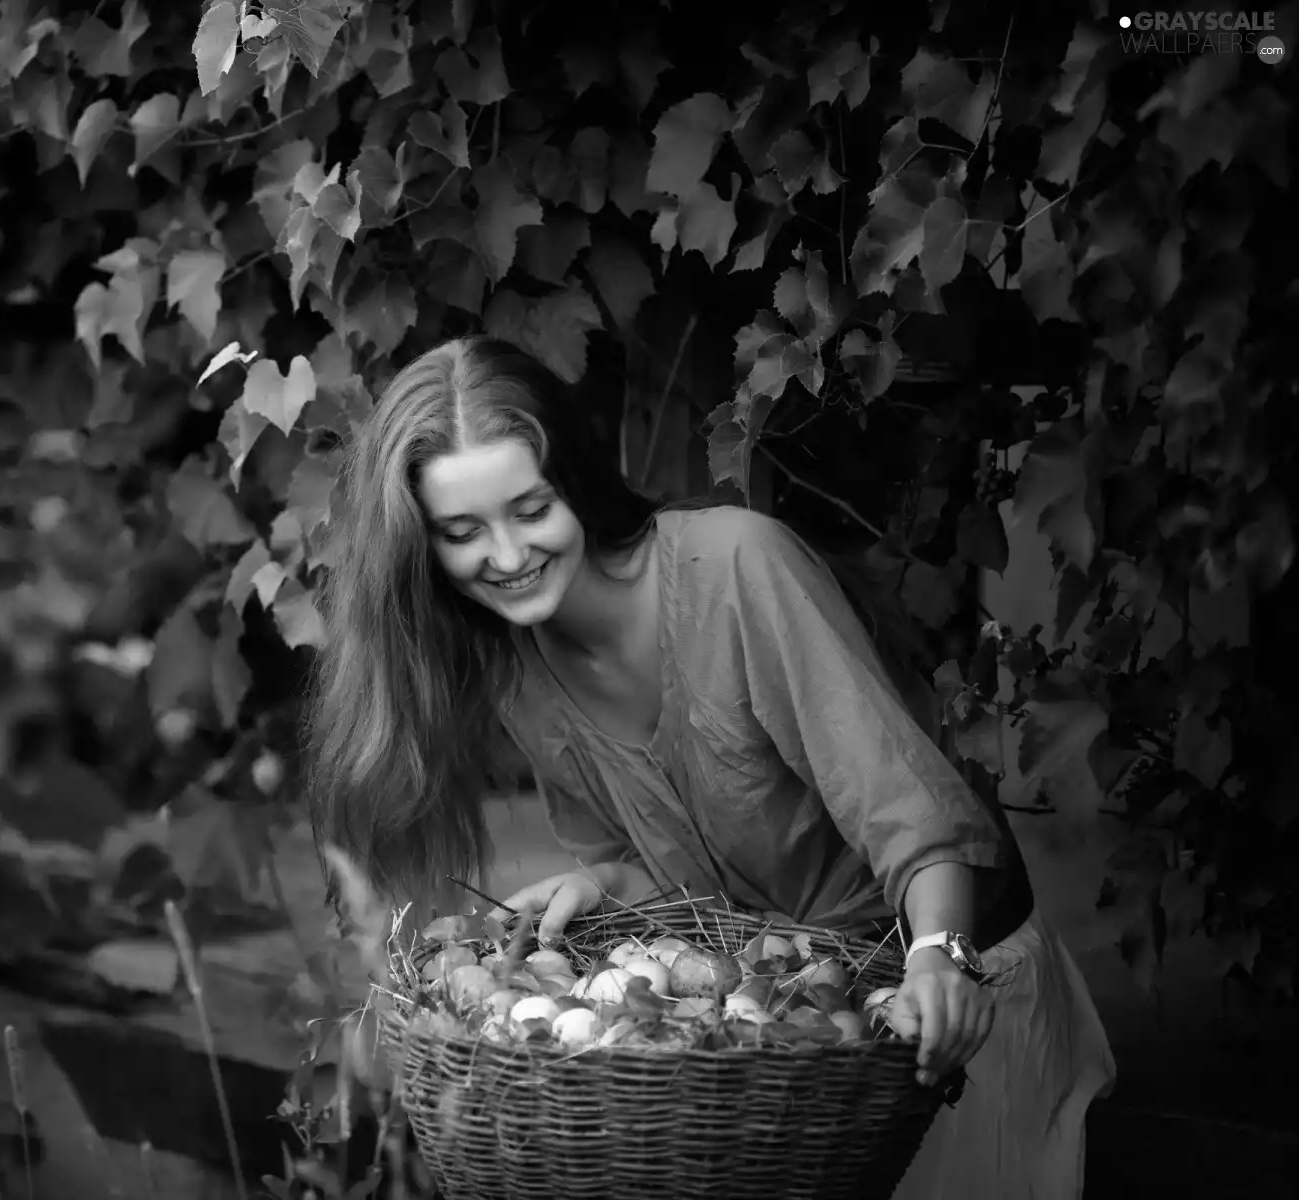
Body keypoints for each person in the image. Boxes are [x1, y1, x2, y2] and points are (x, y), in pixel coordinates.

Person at [304, 336, 1116, 1199]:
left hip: (948, 1001)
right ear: (424, 548)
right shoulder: (517, 669)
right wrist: (608, 884)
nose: (506, 557)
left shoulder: (736, 567)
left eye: (531, 509)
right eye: (464, 533)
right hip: (802, 1033)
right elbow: (693, 884)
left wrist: (939, 961)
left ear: (575, 480)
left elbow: (915, 820)